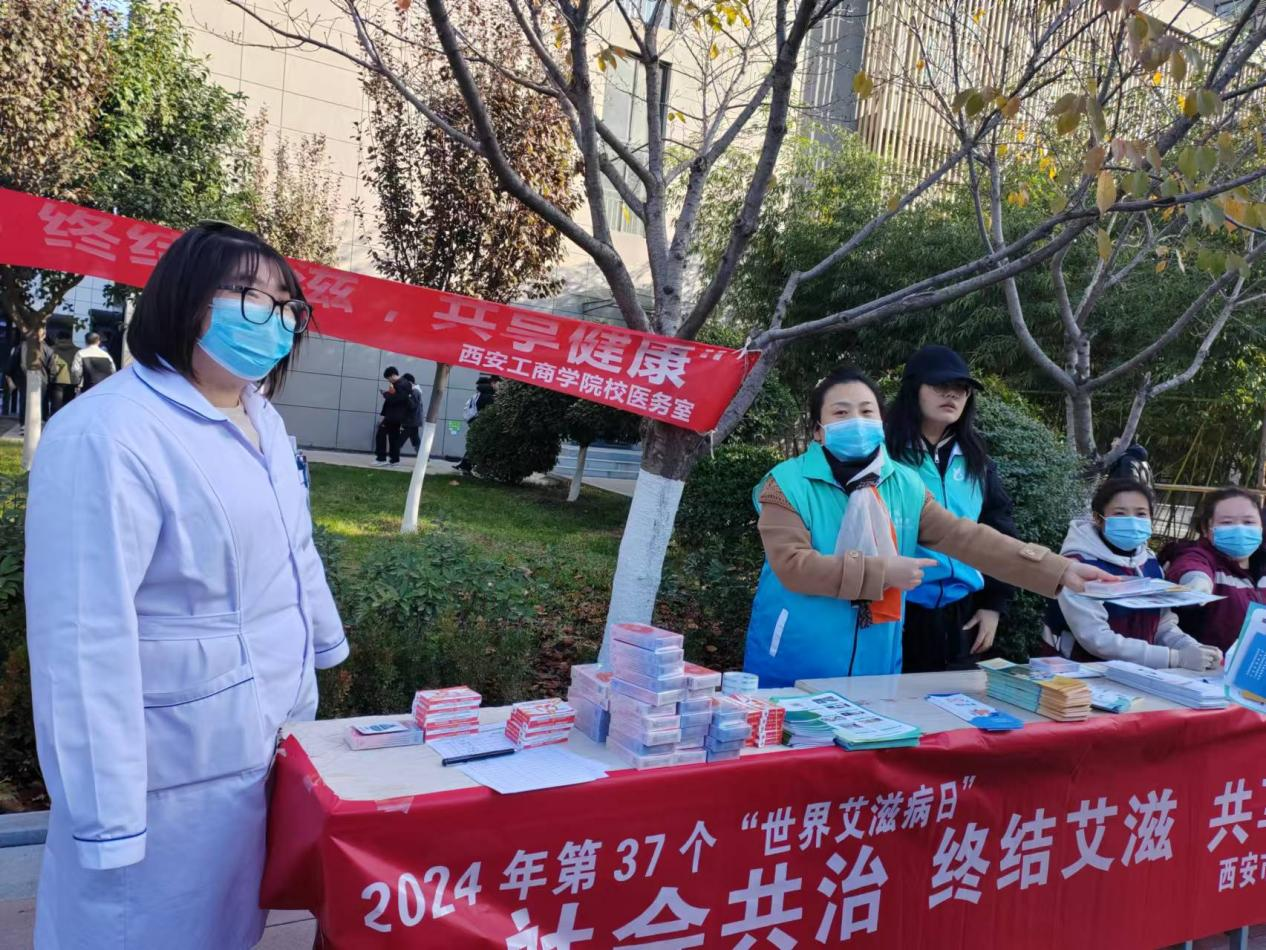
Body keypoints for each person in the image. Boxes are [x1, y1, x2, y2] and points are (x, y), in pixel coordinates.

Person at [24, 222, 348, 948]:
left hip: (256, 742)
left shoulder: (260, 417)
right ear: (184, 299)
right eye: (247, 294)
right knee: (137, 925)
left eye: (286, 303)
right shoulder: (109, 433)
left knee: (225, 924)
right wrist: (106, 817)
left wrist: (323, 648)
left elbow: (294, 549)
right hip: (159, 768)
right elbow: (82, 638)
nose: (272, 317)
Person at [744, 365, 1115, 687]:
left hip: (876, 664)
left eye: (866, 411)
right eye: (841, 412)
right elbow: (793, 566)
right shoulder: (785, 484)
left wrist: (1059, 569)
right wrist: (883, 572)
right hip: (794, 661)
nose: (856, 421)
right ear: (818, 430)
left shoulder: (904, 484)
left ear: (881, 421)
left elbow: (965, 538)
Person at [885, 345, 1017, 672]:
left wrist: (994, 605)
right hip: (895, 609)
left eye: (962, 388)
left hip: (963, 615)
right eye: (940, 385)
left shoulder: (976, 460)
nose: (953, 394)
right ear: (913, 389)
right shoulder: (885, 455)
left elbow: (998, 529)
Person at [1040, 478, 1220, 670]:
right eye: (1120, 513)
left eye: (1141, 513)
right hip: (1076, 674)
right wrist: (1175, 658)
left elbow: (1162, 624)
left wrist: (1192, 648)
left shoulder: (1149, 562)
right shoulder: (1078, 566)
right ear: (1098, 519)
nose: (1132, 521)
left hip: (1134, 674)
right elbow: (1097, 639)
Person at [1162, 487, 1266, 652]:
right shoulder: (1199, 557)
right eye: (1227, 523)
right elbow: (1191, 566)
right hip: (1210, 664)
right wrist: (1196, 582)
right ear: (1206, 528)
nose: (1239, 529)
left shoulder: (1262, 568)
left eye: (1248, 522)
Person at [457, 374, 499, 474]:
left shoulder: (480, 393)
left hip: (473, 420)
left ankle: (465, 465)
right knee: (480, 445)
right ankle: (467, 466)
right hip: (479, 421)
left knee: (477, 443)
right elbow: (488, 411)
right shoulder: (488, 395)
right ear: (493, 383)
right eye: (499, 383)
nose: (500, 386)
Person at [374, 366, 414, 466]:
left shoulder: (401, 384)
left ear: (392, 375)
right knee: (393, 437)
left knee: (381, 434)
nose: (389, 381)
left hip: (393, 415)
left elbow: (396, 399)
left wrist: (385, 394)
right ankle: (394, 460)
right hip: (397, 415)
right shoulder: (403, 383)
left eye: (388, 378)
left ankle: (381, 459)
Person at [48, 330, 78, 415]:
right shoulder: (77, 350)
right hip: (72, 379)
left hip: (56, 379)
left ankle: (55, 418)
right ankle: (66, 418)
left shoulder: (51, 349)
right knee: (69, 403)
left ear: (57, 338)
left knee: (56, 402)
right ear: (70, 339)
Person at [401, 371, 424, 453]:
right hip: (413, 420)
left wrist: (405, 397)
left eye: (404, 382)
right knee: (415, 440)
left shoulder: (414, 392)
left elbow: (412, 406)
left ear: (409, 382)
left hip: (411, 421)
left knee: (400, 440)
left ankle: (394, 456)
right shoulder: (414, 391)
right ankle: (423, 456)